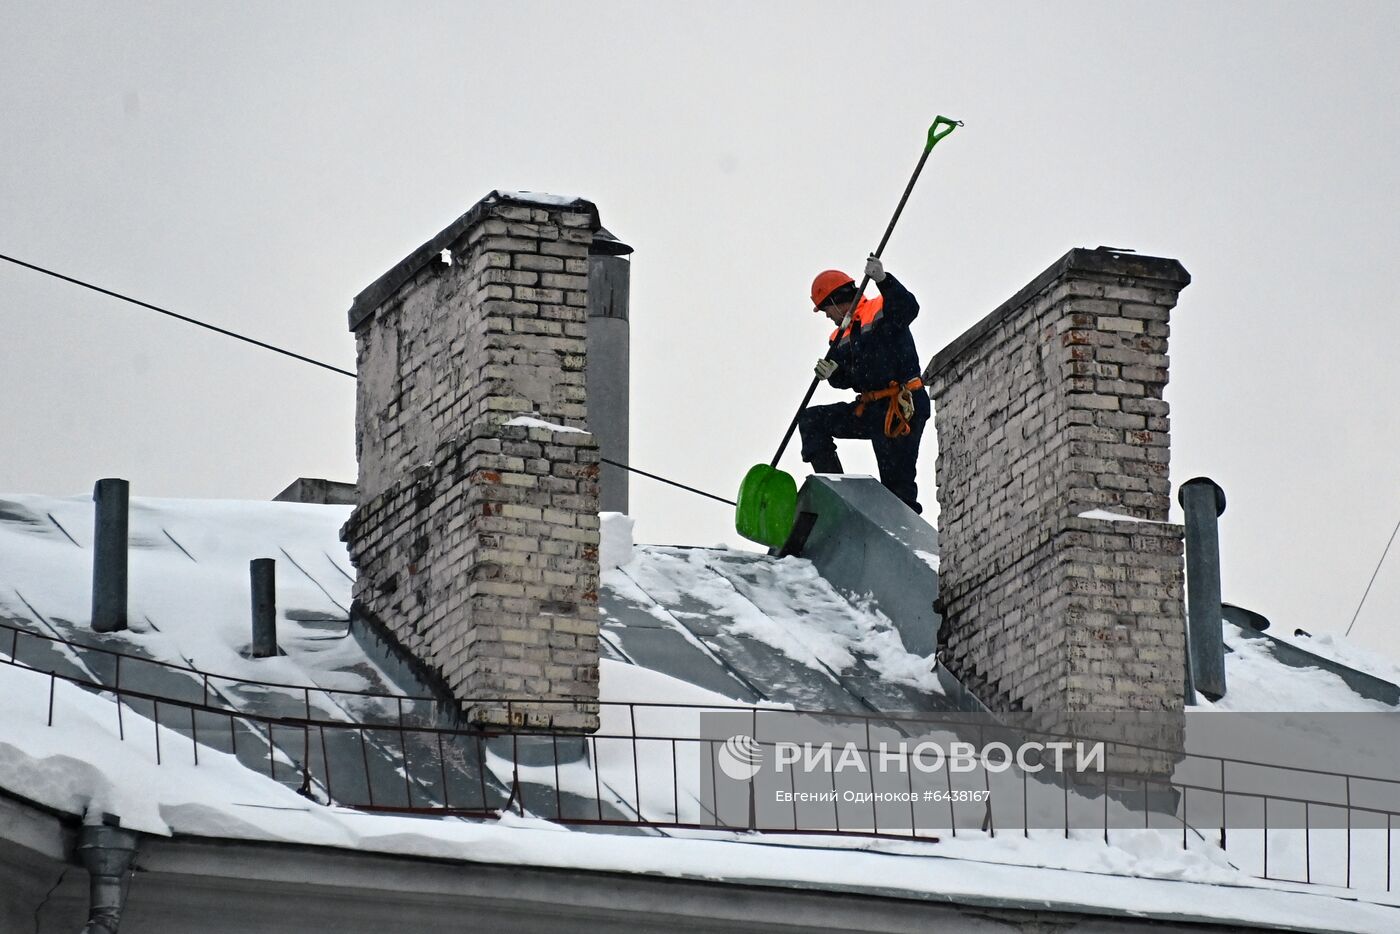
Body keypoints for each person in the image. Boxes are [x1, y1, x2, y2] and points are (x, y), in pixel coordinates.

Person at [798, 255, 930, 513]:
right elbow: (847, 378)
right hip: (870, 409)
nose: (827, 317)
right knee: (812, 420)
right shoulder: (838, 336)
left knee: (897, 491)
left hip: (901, 406)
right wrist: (832, 373)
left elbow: (908, 308)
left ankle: (903, 535)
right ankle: (836, 493)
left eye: (826, 310)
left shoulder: (882, 309)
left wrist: (884, 280)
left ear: (835, 301)